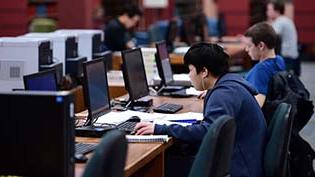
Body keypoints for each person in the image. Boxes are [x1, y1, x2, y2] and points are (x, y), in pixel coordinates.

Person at [135, 43, 267, 177]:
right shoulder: (229, 85)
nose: (189, 76)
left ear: (204, 72)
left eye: (190, 70)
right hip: (243, 160)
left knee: (160, 165)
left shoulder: (223, 94)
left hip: (238, 168)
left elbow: (208, 131)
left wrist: (160, 129)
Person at [243, 22, 286, 107]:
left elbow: (257, 105)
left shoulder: (261, 70)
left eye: (249, 46)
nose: (246, 49)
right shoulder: (279, 60)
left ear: (261, 46)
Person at [266, 1, 300, 76]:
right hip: (293, 56)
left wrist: (250, 39)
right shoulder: (285, 20)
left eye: (269, 9)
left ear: (277, 11)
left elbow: (269, 36)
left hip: (286, 57)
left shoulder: (280, 22)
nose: (267, 12)